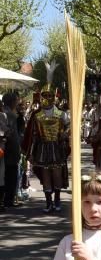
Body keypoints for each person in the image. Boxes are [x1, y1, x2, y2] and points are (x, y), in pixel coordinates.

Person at [23, 84, 69, 213]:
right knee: (46, 175)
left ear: (54, 97)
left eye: (50, 95)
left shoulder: (61, 114)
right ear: (41, 96)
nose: (47, 97)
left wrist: (65, 133)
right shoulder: (37, 115)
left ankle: (57, 200)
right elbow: (33, 136)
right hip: (42, 148)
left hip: (57, 147)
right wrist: (31, 153)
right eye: (45, 95)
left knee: (57, 174)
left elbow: (70, 126)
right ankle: (49, 202)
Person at [0, 93, 22, 209]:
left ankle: (8, 199)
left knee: (8, 175)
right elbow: (11, 134)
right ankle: (8, 199)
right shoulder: (9, 114)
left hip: (9, 148)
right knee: (10, 175)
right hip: (9, 149)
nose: (18, 102)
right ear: (13, 102)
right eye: (16, 100)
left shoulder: (9, 113)